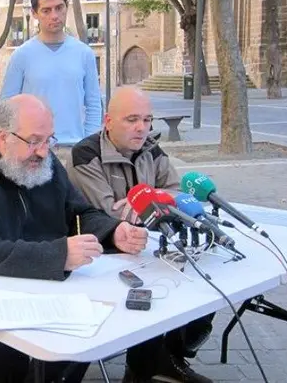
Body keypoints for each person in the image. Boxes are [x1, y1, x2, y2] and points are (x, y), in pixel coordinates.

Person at [0, 94, 149, 383]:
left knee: (79, 338)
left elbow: (77, 212)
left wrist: (114, 232)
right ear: (2, 139)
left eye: (49, 139)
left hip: (26, 279)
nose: (43, 151)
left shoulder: (45, 163)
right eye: (34, 140)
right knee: (2, 348)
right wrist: (58, 255)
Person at [67, 86, 214, 383]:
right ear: (108, 121)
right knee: (156, 293)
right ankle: (143, 366)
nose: (141, 128)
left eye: (147, 120)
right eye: (131, 119)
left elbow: (175, 196)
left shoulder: (151, 148)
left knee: (203, 289)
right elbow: (106, 213)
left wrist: (147, 202)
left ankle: (165, 359)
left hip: (148, 246)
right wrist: (149, 203)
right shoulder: (85, 154)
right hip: (102, 253)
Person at [0, 0, 102, 152]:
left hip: (76, 147)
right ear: (34, 13)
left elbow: (93, 103)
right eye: (46, 10)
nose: (54, 15)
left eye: (59, 8)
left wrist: (89, 142)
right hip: (34, 149)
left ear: (66, 6)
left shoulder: (84, 53)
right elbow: (7, 106)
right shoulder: (21, 55)